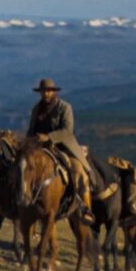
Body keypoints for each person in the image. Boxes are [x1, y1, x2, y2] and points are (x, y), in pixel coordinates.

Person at [25, 78, 93, 212]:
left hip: (63, 147)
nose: (46, 94)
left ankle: (86, 209)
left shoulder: (65, 107)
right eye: (43, 91)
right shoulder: (36, 109)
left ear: (54, 92)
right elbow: (31, 130)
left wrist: (49, 137)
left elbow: (67, 131)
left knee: (79, 172)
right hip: (40, 148)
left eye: (49, 91)